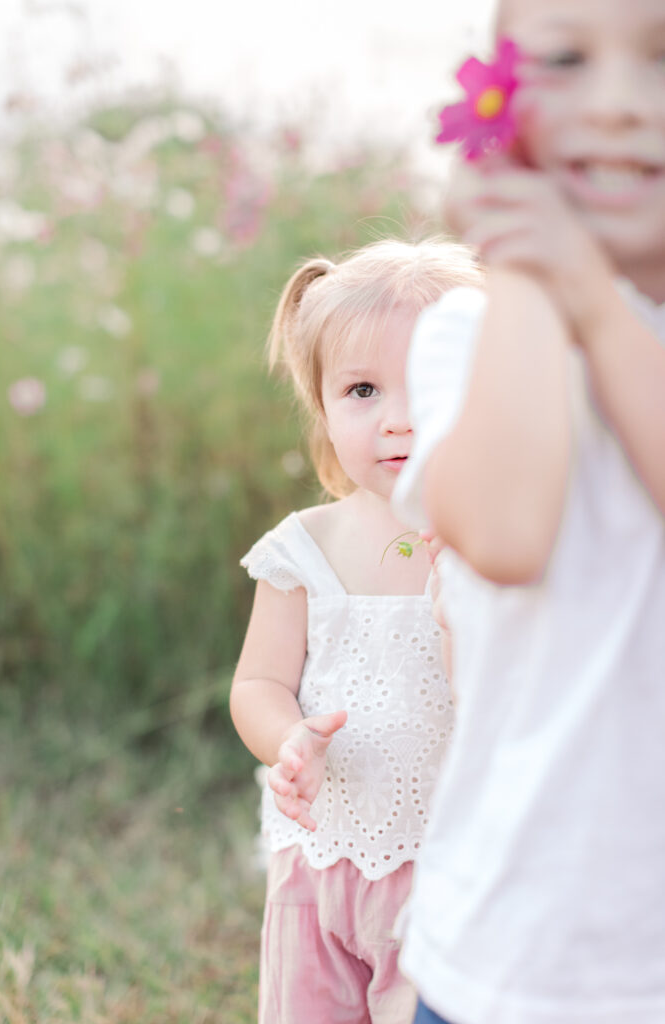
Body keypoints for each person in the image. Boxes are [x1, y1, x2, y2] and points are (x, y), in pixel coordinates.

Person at [392, 1, 665, 1023]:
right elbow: (505, 534)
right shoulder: (472, 328)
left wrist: (594, 300)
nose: (619, 106)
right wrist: (526, 271)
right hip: (510, 959)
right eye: (563, 57)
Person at [230, 238, 480, 1024]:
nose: (397, 421)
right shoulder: (305, 546)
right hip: (319, 866)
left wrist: (462, 598)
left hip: (445, 874)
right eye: (362, 390)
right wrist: (286, 739)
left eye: (431, 389)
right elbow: (258, 681)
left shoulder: (497, 547)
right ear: (322, 404)